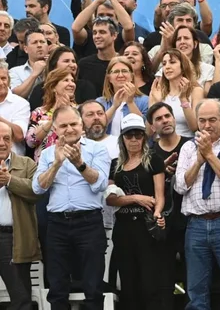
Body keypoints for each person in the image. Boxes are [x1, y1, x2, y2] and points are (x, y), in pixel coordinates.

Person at [32, 106, 111, 310]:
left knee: (93, 287)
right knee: (57, 288)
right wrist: (57, 164)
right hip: (57, 224)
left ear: (81, 124)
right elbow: (38, 188)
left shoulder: (97, 149)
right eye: (63, 125)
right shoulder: (49, 154)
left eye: (73, 124)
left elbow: (100, 184)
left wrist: (80, 164)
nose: (69, 129)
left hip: (89, 222)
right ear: (55, 129)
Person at [175, 99, 220, 309]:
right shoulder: (188, 147)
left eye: (212, 120)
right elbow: (180, 186)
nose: (206, 125)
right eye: (202, 120)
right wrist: (199, 160)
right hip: (196, 224)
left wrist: (210, 155)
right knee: (196, 290)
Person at [106, 113, 170, 309]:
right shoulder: (116, 164)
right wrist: (135, 198)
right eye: (128, 135)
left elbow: (159, 196)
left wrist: (158, 213)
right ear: (122, 138)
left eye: (138, 135)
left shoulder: (153, 160)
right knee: (128, 282)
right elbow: (110, 198)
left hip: (146, 226)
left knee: (150, 282)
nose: (133, 140)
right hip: (123, 227)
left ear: (144, 136)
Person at [147, 102, 191, 305]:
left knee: (193, 278)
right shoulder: (149, 154)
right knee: (163, 281)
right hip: (162, 223)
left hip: (190, 221)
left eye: (167, 116)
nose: (165, 120)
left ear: (174, 118)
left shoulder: (191, 145)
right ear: (152, 126)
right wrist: (159, 172)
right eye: (159, 118)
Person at [0, 121, 41, 310]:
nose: (2, 143)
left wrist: (9, 180)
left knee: (21, 298)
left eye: (6, 138)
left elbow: (36, 192)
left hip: (11, 238)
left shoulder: (26, 164)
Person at [149, 49, 204, 138]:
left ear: (183, 67)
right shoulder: (156, 91)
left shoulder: (196, 91)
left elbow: (194, 127)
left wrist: (183, 99)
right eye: (164, 64)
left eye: (172, 62)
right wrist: (157, 103)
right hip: (161, 144)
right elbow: (149, 131)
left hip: (186, 143)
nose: (167, 67)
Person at [25, 69, 77, 162]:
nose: (71, 84)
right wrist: (54, 116)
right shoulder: (39, 113)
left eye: (72, 81)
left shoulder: (80, 111)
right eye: (66, 80)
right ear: (53, 87)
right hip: (46, 166)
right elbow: (30, 142)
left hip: (73, 164)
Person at [28, 46, 99, 110]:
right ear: (54, 65)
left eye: (73, 61)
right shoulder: (40, 89)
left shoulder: (86, 87)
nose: (72, 65)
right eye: (66, 61)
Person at [97, 56, 149, 135]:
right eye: (116, 72)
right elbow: (98, 128)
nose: (120, 75)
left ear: (131, 76)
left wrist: (130, 103)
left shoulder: (145, 101)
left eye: (124, 71)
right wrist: (114, 107)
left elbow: (146, 130)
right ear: (109, 78)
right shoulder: (100, 103)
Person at [156, 26, 215, 93]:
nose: (182, 42)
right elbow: (159, 93)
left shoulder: (208, 69)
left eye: (186, 38)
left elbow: (207, 98)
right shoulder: (166, 68)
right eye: (178, 39)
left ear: (195, 44)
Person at [0, 62, 31, 156]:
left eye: (3, 78)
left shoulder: (21, 104)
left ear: (9, 81)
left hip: (13, 164)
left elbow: (19, 135)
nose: (0, 83)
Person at [9, 28, 48, 99]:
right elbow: (15, 97)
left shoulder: (56, 67)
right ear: (26, 49)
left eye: (42, 42)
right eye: (35, 42)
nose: (39, 45)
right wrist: (34, 74)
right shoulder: (15, 71)